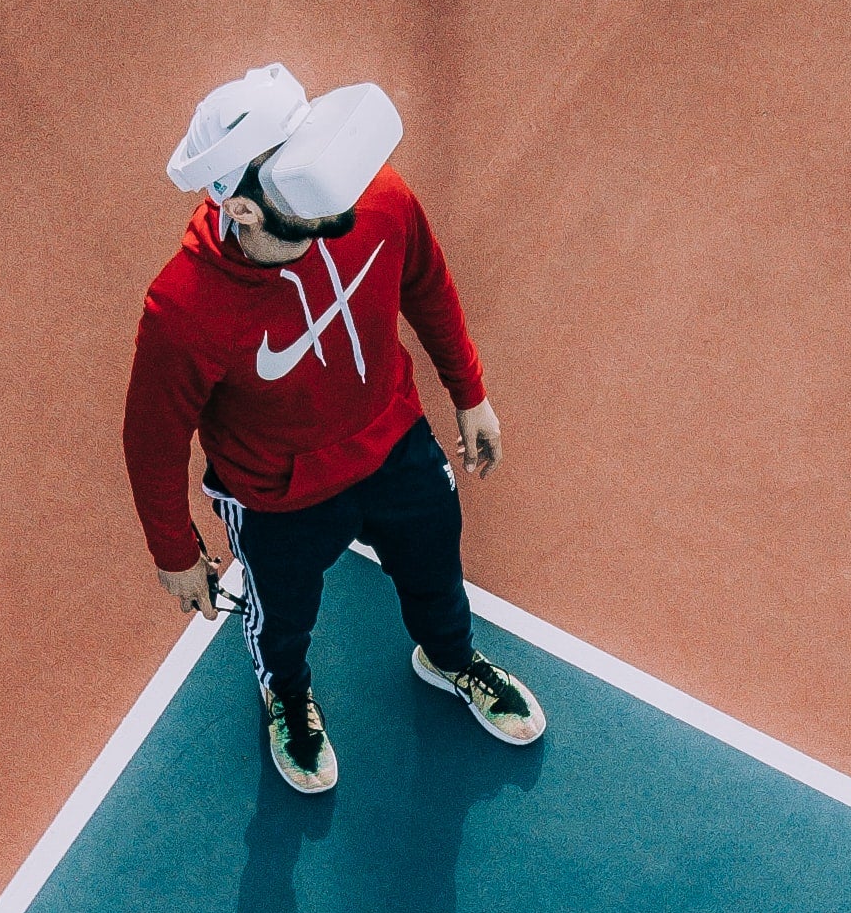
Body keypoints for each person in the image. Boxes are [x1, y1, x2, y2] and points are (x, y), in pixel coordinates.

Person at [123, 63, 545, 794]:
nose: (329, 222)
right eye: (306, 213)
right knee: (282, 623)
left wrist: (470, 393)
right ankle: (286, 696)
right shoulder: (184, 312)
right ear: (246, 212)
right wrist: (174, 551)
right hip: (276, 498)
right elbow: (152, 441)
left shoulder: (372, 196)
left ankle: (449, 659)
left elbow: (428, 284)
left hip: (393, 442)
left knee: (437, 568)